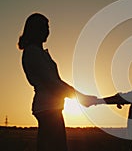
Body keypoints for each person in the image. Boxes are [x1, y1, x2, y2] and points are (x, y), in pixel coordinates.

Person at [18, 13, 97, 151]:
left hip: (51, 108)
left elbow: (56, 82)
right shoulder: (32, 52)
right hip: (47, 108)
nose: (48, 31)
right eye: (44, 27)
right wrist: (80, 97)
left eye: (48, 27)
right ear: (35, 29)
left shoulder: (39, 53)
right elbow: (53, 84)